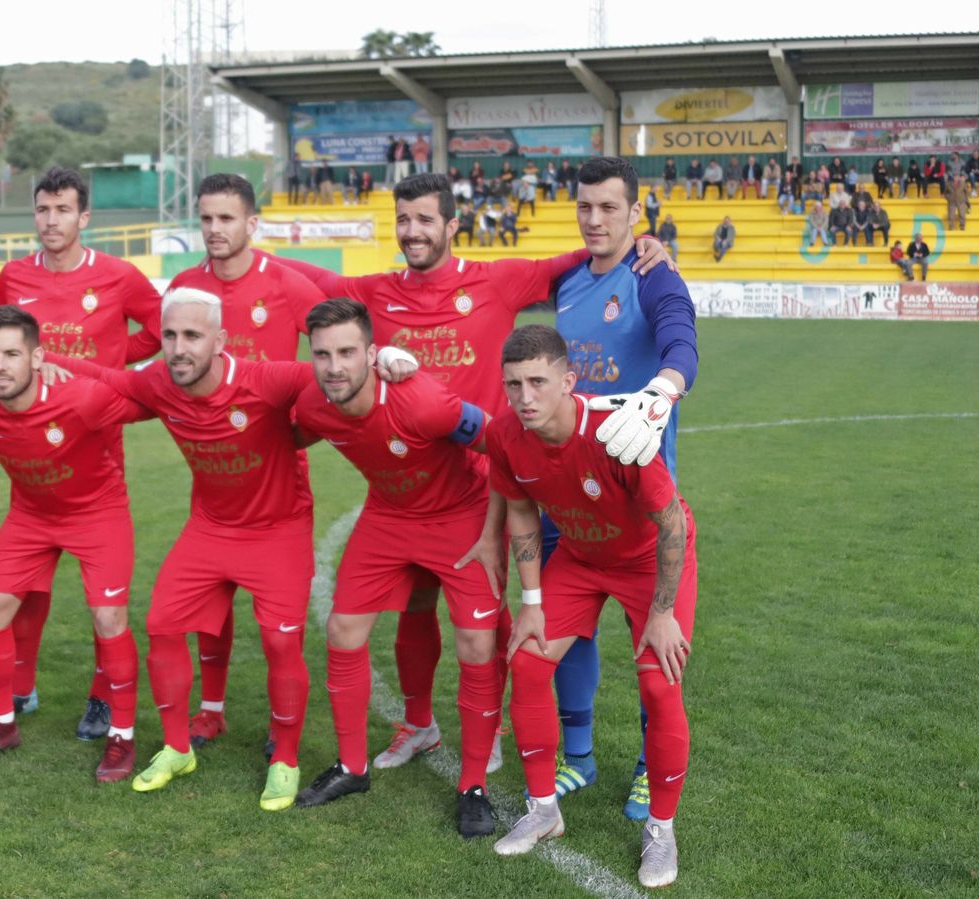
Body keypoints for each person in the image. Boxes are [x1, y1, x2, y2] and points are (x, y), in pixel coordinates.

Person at [270, 173, 673, 772]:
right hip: (405, 485)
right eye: (404, 220)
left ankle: (497, 730)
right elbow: (305, 281)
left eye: (426, 220)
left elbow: (580, 254)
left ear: (452, 225)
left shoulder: (495, 280)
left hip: (482, 488)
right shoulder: (373, 292)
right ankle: (418, 724)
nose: (413, 231)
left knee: (480, 620)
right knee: (414, 608)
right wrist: (247, 249)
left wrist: (646, 245)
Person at [49, 288, 409, 812]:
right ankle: (176, 749)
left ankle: (284, 758)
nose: (178, 348)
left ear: (220, 341)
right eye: (170, 336)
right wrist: (44, 359)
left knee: (281, 643)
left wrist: (394, 357)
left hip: (278, 529)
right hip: (211, 527)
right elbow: (107, 377)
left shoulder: (267, 379)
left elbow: (337, 372)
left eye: (192, 336)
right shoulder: (158, 381)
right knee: (162, 624)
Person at [488, 324, 699, 892]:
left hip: (648, 561)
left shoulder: (616, 432)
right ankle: (543, 811)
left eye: (537, 381)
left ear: (568, 380)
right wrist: (530, 602)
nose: (525, 397)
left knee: (660, 685)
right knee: (528, 661)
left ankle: (661, 828)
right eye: (513, 384)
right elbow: (523, 513)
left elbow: (672, 524)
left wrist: (661, 612)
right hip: (581, 559)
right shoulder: (506, 436)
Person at [290, 298, 506, 839]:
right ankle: (353, 766)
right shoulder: (314, 407)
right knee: (343, 629)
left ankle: (473, 784)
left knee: (476, 643)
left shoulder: (424, 401)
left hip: (461, 514)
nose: (334, 366)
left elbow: (503, 445)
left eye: (346, 352)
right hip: (389, 516)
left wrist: (493, 532)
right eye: (322, 354)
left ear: (371, 352)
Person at [0, 167, 161, 737]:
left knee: (100, 594)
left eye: (63, 209)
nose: (51, 220)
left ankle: (103, 695)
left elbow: (159, 331)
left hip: (95, 449)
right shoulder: (13, 277)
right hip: (33, 453)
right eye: (42, 209)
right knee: (28, 583)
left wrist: (110, 362)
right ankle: (19, 686)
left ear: (84, 217)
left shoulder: (118, 275)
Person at [548, 156, 697, 819]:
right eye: (585, 206)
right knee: (566, 633)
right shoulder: (568, 282)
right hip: (565, 491)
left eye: (610, 207)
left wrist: (662, 391)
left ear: (637, 214)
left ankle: (647, 763)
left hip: (637, 498)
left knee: (649, 637)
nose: (596, 218)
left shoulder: (652, 273)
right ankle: (577, 754)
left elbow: (681, 342)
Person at [0, 306, 144, 778]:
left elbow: (148, 399)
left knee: (108, 615)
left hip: (98, 512)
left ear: (37, 357)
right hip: (32, 515)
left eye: (12, 354)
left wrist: (75, 367)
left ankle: (122, 739)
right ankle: (3, 725)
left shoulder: (82, 398)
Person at [163, 174, 330, 744]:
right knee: (210, 606)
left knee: (279, 627)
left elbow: (337, 355)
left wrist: (304, 431)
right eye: (206, 219)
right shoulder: (185, 285)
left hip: (276, 477)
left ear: (251, 224)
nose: (215, 229)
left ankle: (282, 730)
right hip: (213, 473)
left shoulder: (287, 284)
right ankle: (210, 708)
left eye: (226, 218)